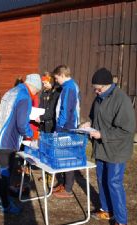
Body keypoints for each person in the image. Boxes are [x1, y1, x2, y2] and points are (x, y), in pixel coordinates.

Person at [83, 68, 135, 225]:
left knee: (113, 182)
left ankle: (121, 220)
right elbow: (94, 117)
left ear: (107, 85)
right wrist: (89, 123)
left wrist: (102, 134)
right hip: (101, 148)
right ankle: (106, 210)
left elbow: (127, 130)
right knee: (101, 178)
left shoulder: (121, 100)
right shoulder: (99, 98)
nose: (96, 92)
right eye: (94, 89)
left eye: (98, 89)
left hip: (117, 150)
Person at [0, 73, 42, 215]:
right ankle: (5, 204)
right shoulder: (25, 97)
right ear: (34, 87)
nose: (36, 94)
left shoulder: (13, 91)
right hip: (8, 139)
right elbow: (21, 124)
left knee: (1, 170)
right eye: (37, 91)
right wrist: (31, 135)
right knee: (6, 172)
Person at [51, 65, 80, 199]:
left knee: (67, 156)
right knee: (62, 156)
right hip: (66, 126)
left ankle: (68, 189)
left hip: (66, 127)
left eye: (56, 78)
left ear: (62, 75)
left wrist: (59, 127)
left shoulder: (69, 88)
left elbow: (66, 109)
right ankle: (63, 183)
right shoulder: (69, 86)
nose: (56, 81)